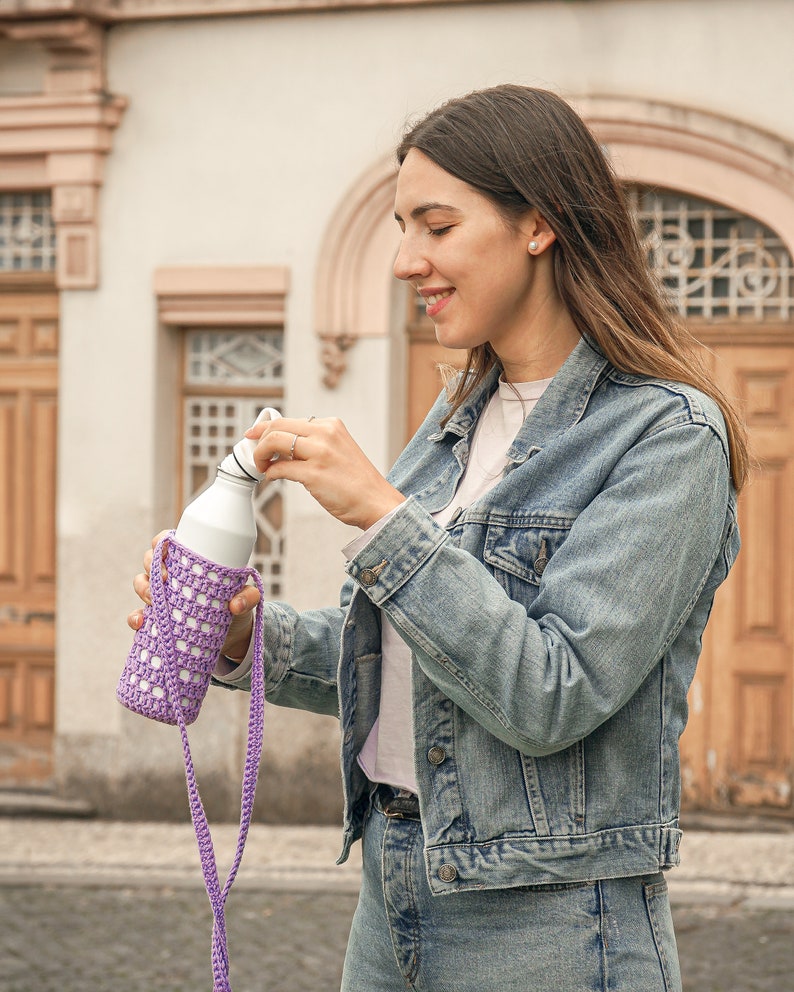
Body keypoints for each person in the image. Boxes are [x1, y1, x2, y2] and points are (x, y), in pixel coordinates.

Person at [129, 84, 748, 992]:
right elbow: (401, 662)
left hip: (550, 925)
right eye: (399, 226)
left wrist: (385, 518)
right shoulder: (460, 413)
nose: (404, 259)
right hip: (393, 892)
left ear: (536, 224)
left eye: (435, 225)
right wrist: (246, 640)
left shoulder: (667, 436)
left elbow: (551, 693)